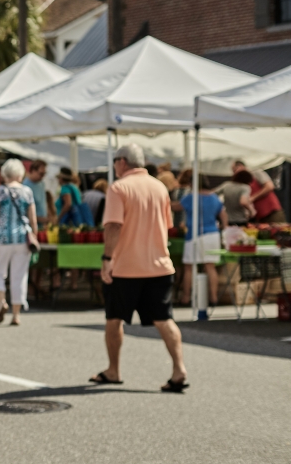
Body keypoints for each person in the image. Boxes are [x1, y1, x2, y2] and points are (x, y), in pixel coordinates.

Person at [93, 144, 188, 393]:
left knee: (114, 319)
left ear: (123, 162)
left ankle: (113, 370)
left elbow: (113, 226)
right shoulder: (160, 187)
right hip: (159, 265)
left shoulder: (119, 187)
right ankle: (179, 369)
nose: (114, 165)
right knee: (164, 319)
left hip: (126, 267)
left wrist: (107, 258)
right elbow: (166, 225)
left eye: (114, 160)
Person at [0, 159, 37, 325]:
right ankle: (16, 315)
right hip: (22, 238)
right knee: (19, 276)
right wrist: (34, 235)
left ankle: (2, 302)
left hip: (1, 238)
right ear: (20, 174)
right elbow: (33, 219)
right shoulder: (27, 192)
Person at [178, 174, 225, 305]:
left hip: (194, 234)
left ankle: (186, 297)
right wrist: (225, 229)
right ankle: (213, 298)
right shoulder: (215, 198)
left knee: (189, 267)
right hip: (213, 234)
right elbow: (223, 215)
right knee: (210, 267)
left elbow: (177, 207)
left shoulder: (191, 197)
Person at [23, 160, 49, 227]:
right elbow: (24, 211)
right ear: (33, 170)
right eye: (41, 174)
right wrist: (39, 219)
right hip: (31, 225)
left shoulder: (41, 183)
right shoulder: (25, 186)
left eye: (44, 174)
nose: (43, 176)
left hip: (42, 225)